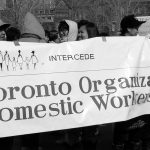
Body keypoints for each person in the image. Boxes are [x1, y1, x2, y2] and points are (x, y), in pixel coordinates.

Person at [113, 14, 150, 150]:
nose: (138, 30)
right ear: (129, 29)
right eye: (136, 28)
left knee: (138, 123)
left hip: (138, 88)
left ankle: (134, 142)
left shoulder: (140, 42)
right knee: (123, 125)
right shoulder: (118, 44)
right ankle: (120, 144)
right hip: (123, 90)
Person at [77, 20, 100, 150]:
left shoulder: (98, 50)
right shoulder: (72, 49)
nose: (79, 35)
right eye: (78, 32)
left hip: (92, 101)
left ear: (90, 34)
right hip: (76, 100)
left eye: (82, 32)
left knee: (90, 135)